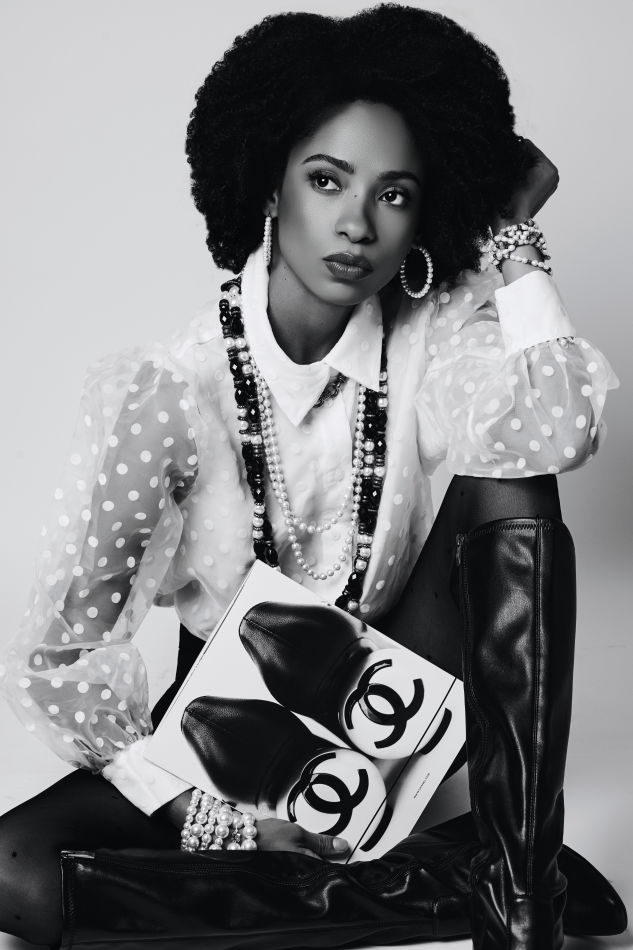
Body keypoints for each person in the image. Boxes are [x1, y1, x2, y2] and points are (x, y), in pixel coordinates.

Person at [0, 5, 625, 949]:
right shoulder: (170, 392)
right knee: (15, 870)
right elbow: (61, 657)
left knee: (514, 476)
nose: (356, 224)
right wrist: (204, 819)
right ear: (269, 181)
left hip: (397, 695)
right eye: (326, 179)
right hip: (229, 734)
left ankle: (516, 889)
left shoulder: (432, 333)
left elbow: (555, 432)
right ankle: (463, 875)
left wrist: (509, 237)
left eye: (394, 194)